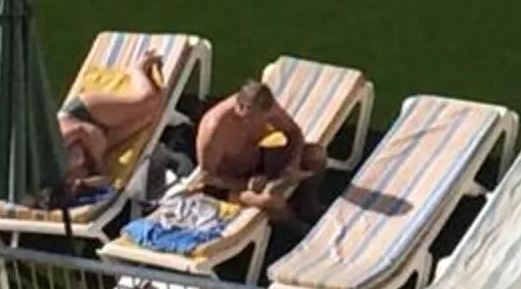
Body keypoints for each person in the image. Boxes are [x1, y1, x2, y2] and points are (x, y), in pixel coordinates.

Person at [195, 77, 324, 214]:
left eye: (264, 119)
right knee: (270, 201)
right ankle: (299, 230)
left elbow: (294, 133)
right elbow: (207, 177)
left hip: (258, 162)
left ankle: (310, 204)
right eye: (250, 119)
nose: (257, 124)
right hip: (228, 183)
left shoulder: (268, 108)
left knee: (317, 155)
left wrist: (293, 163)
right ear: (240, 106)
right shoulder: (216, 128)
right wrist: (246, 184)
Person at [57, 50, 171, 194]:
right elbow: (107, 181)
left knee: (148, 100)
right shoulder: (60, 184)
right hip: (100, 144)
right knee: (155, 114)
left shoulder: (48, 150)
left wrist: (98, 161)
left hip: (86, 116)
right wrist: (85, 182)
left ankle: (137, 69)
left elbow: (84, 130)